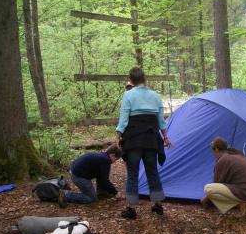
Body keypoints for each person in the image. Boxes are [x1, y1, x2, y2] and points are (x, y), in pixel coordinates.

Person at [116, 67, 172, 220]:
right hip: (151, 139)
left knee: (133, 172)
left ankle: (131, 208)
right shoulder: (155, 96)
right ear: (144, 79)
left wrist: (118, 135)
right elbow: (161, 121)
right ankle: (158, 204)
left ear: (131, 81)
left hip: (133, 139)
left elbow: (124, 119)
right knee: (152, 171)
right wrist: (165, 138)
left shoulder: (128, 95)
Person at [201, 137, 246, 215]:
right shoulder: (237, 154)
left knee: (208, 188)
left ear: (216, 149)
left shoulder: (223, 160)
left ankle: (238, 203)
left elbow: (217, 183)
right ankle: (240, 203)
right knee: (223, 187)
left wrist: (205, 200)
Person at [58, 144, 122, 207]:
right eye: (115, 159)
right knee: (91, 199)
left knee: (100, 179)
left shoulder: (102, 156)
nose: (114, 162)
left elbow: (101, 177)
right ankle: (66, 195)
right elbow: (105, 181)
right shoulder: (105, 161)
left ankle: (102, 193)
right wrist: (115, 192)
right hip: (78, 176)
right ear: (112, 155)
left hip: (74, 172)